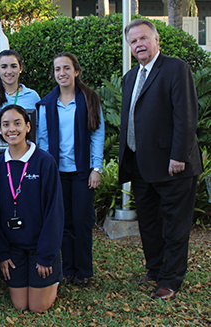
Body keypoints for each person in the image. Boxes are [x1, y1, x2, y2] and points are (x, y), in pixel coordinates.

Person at [119, 19, 202, 300]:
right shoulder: (130, 76)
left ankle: (170, 280)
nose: (138, 45)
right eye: (133, 41)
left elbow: (186, 115)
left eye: (143, 38)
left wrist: (178, 155)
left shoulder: (176, 68)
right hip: (141, 165)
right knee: (149, 224)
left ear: (156, 41)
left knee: (175, 226)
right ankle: (155, 269)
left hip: (173, 165)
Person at [37, 52, 104, 286]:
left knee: (83, 221)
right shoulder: (46, 104)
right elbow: (43, 140)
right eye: (57, 69)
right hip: (57, 172)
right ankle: (68, 269)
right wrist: (47, 170)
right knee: (63, 222)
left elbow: (97, 134)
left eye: (66, 68)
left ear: (76, 71)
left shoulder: (90, 99)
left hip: (83, 171)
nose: (62, 73)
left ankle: (84, 271)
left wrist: (97, 168)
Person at [0, 105, 64, 312]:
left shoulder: (44, 162)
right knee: (20, 305)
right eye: (5, 125)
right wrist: (2, 253)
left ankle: (54, 277)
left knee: (37, 307)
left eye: (17, 123)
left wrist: (46, 255)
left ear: (28, 126)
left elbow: (55, 212)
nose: (11, 129)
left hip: (38, 246)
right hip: (13, 248)